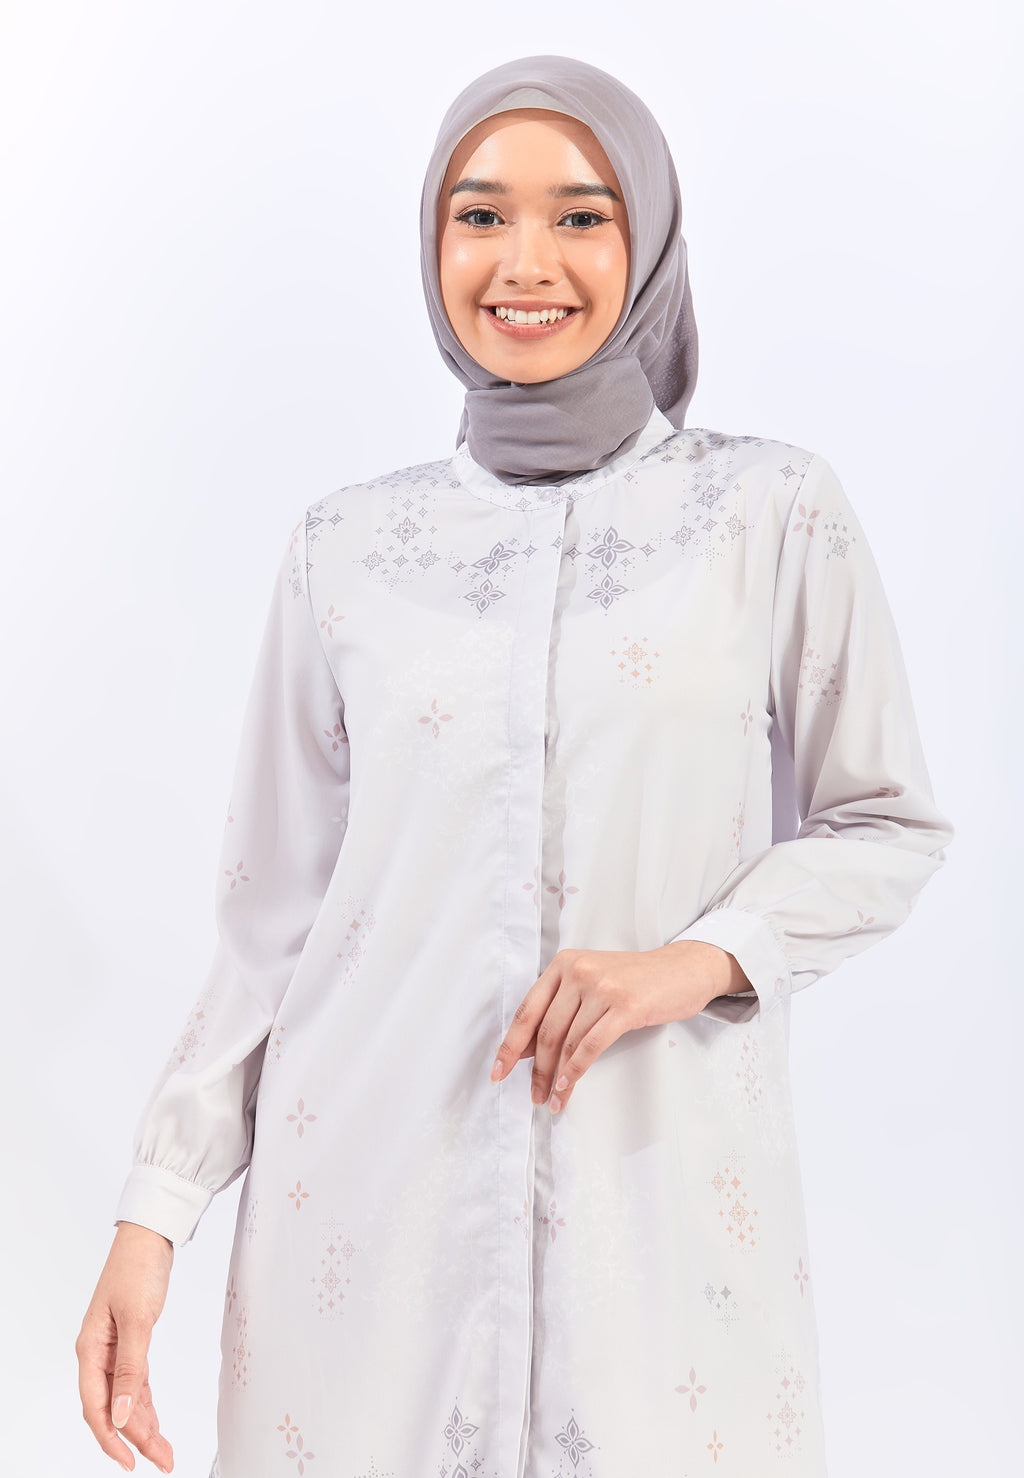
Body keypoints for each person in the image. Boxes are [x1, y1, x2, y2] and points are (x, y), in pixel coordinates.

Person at [76, 54, 953, 1478]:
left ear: (648, 240)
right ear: (434, 245)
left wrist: (698, 959)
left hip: (656, 1238)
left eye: (581, 216)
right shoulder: (347, 548)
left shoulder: (771, 515)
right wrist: (153, 1210)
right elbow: (271, 927)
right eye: (479, 215)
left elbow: (886, 823)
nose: (524, 262)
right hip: (363, 1235)